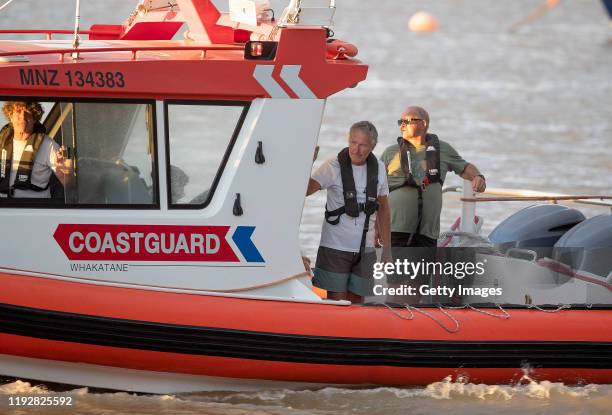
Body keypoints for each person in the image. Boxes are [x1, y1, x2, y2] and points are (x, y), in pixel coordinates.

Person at [380, 106, 485, 303]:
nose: (402, 125)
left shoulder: (442, 150)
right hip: (396, 231)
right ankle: (391, 323)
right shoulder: (389, 153)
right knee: (396, 285)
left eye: (407, 121)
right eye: (400, 121)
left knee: (416, 287)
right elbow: (374, 191)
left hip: (427, 233)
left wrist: (478, 176)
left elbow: (464, 168)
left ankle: (407, 326)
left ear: (424, 123)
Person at [307, 121, 391, 303]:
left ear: (373, 146)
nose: (356, 149)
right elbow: (305, 190)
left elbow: (384, 209)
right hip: (335, 247)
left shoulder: (380, 169)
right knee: (337, 303)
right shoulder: (332, 166)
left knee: (357, 305)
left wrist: (387, 249)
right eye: (353, 142)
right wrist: (308, 161)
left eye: (363, 145)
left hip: (365, 249)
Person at [0, 101, 71, 199]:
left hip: (36, 209)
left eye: (27, 112)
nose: (23, 116)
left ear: (34, 119)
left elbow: (68, 184)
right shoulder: (2, 142)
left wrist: (66, 172)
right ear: (11, 116)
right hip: (5, 208)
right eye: (18, 111)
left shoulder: (48, 145)